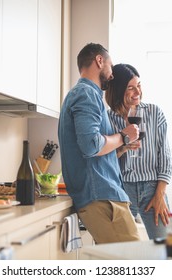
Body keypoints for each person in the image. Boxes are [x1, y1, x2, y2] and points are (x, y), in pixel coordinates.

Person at [58, 43, 141, 244]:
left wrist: (119, 147)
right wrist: (124, 136)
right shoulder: (87, 94)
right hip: (103, 198)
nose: (112, 74)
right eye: (110, 67)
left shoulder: (84, 94)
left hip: (103, 196)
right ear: (99, 61)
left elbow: (92, 147)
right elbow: (91, 145)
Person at [105, 63, 172, 240]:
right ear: (119, 90)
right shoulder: (108, 118)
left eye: (139, 85)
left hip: (152, 189)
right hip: (121, 189)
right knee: (117, 249)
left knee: (164, 246)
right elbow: (106, 158)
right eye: (131, 88)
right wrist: (123, 147)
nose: (138, 92)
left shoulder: (154, 113)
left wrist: (160, 195)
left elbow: (164, 156)